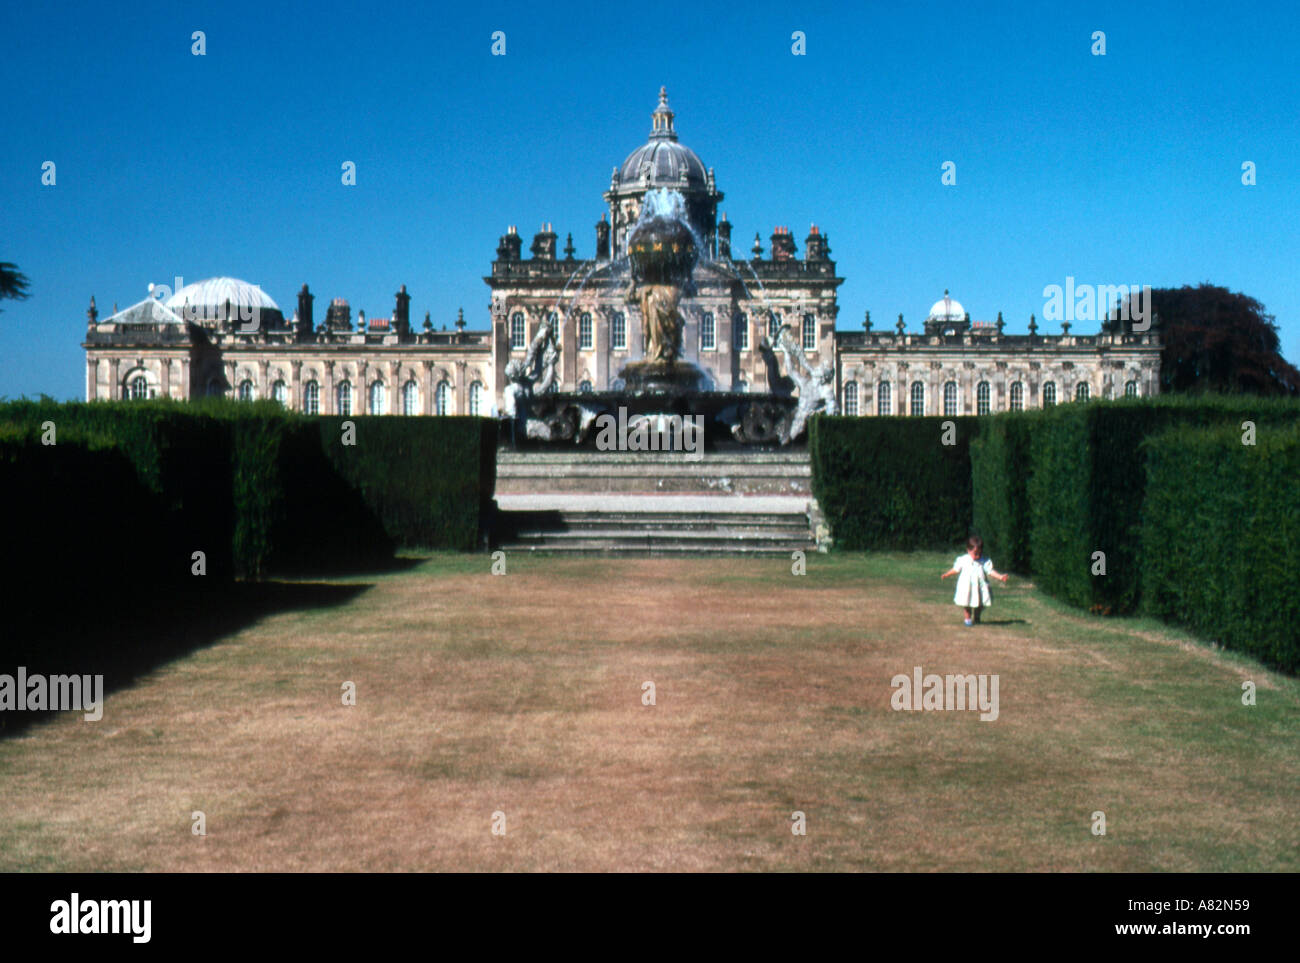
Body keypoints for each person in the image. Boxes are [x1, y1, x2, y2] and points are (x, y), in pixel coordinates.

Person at [941, 536, 1009, 627]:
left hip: (980, 586)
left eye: (979, 553)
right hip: (967, 586)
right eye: (975, 553)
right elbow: (956, 569)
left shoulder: (984, 560)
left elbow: (990, 571)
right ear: (968, 550)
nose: (977, 556)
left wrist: (1000, 577)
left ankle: (977, 616)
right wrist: (947, 574)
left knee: (980, 603)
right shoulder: (963, 560)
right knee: (967, 603)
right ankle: (968, 619)